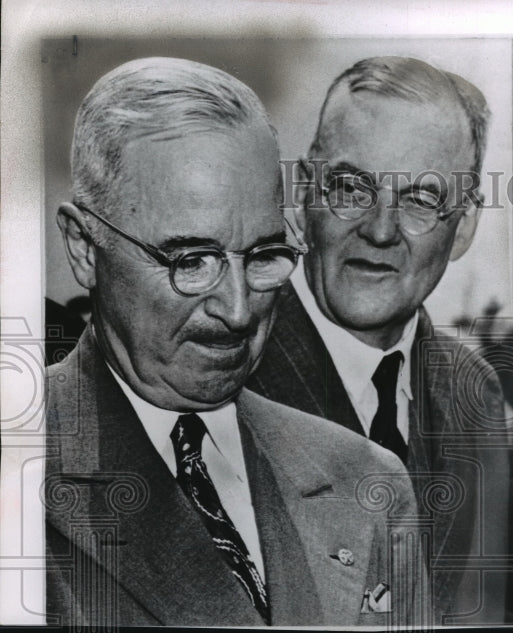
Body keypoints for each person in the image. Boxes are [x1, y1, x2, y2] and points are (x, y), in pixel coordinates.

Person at [45, 57, 425, 628]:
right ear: (83, 247)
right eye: (190, 261)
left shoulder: (368, 482)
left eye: (264, 257)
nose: (239, 309)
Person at [247, 56, 512, 623]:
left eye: (419, 199)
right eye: (352, 187)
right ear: (304, 190)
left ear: (462, 226)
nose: (381, 229)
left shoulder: (476, 393)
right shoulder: (223, 369)